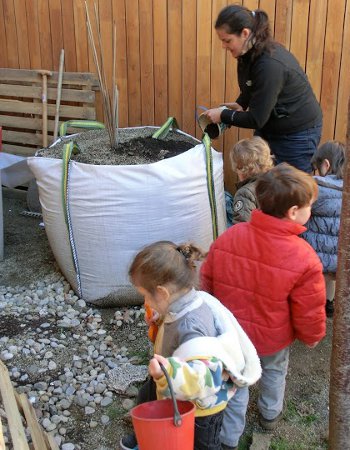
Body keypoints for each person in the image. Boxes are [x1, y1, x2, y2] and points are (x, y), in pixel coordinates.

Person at [200, 163, 326, 449]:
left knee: (235, 383)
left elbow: (206, 281)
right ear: (294, 211)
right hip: (273, 339)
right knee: (274, 372)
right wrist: (312, 336)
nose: (311, 211)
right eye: (309, 206)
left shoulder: (230, 236)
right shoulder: (304, 257)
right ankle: (269, 414)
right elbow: (309, 309)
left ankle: (228, 439)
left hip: (232, 335)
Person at [121, 241, 261, 450]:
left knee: (202, 444)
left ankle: (161, 437)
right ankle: (149, 435)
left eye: (147, 296)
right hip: (175, 382)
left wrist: (166, 372)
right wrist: (160, 317)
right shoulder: (186, 301)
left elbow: (207, 378)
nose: (146, 302)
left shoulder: (191, 327)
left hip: (201, 406)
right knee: (147, 396)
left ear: (162, 293)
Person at [203, 5, 322, 173]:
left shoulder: (270, 65)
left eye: (227, 40)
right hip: (270, 126)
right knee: (264, 182)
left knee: (293, 190)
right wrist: (241, 104)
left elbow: (256, 119)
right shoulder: (247, 54)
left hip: (297, 135)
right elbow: (251, 85)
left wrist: (223, 115)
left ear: (244, 33)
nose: (223, 46)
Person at [302, 141, 345, 318]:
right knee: (330, 278)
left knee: (316, 280)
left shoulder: (317, 187)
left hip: (316, 253)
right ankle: (329, 304)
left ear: (326, 164)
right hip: (339, 256)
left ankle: (311, 309)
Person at [225, 136, 274, 226]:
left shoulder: (245, 194)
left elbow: (241, 226)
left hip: (256, 238)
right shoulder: (276, 182)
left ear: (240, 169)